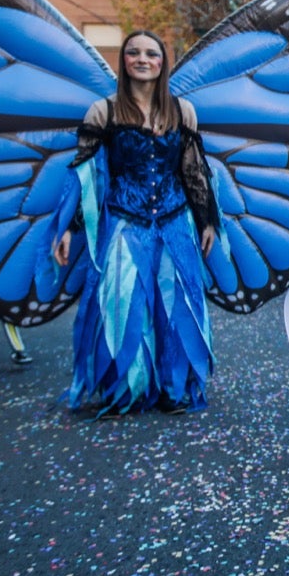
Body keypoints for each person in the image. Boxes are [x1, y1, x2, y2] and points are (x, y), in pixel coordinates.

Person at [51, 31, 218, 417]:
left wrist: (207, 220)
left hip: (176, 223)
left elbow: (193, 170)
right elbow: (88, 176)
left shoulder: (183, 111)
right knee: (123, 305)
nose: (142, 59)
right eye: (133, 53)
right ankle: (125, 391)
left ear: (163, 62)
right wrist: (69, 228)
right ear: (123, 61)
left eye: (151, 54)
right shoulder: (103, 111)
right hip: (125, 223)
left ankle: (175, 390)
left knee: (177, 309)